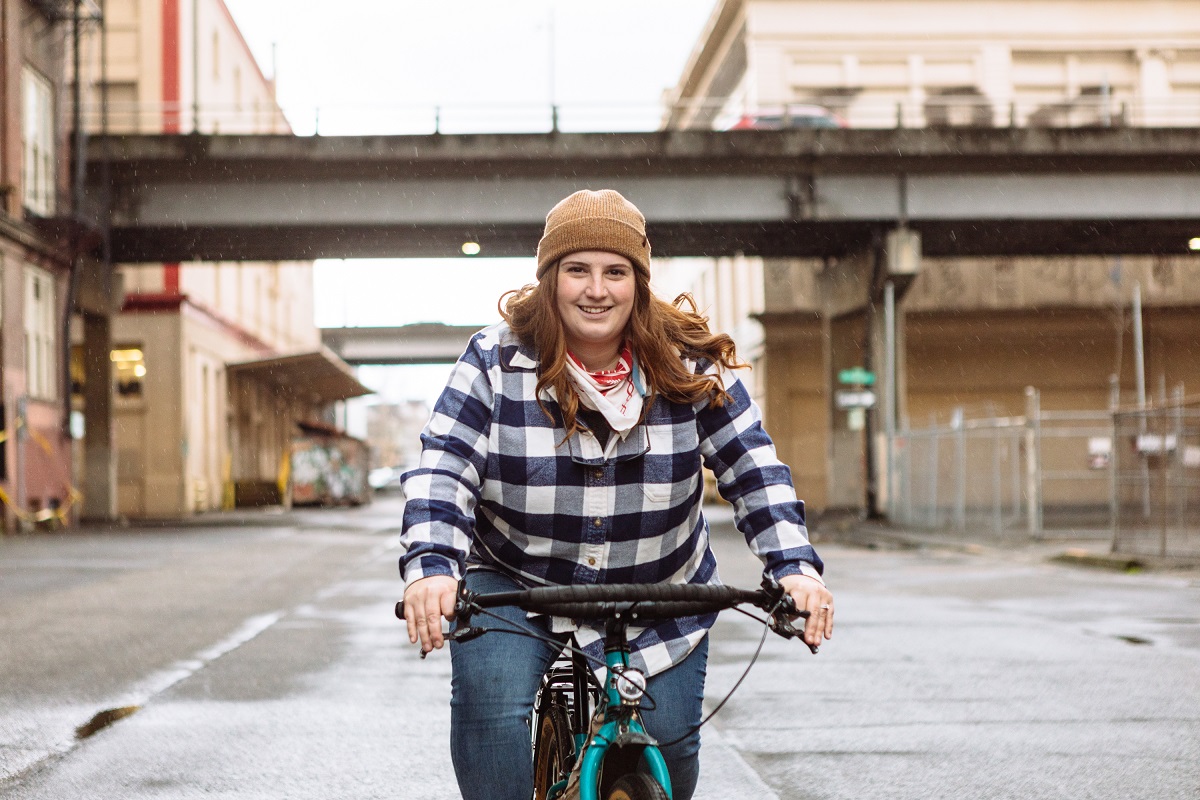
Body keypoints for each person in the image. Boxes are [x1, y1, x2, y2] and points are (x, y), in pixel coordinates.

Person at [399, 188, 833, 800]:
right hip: (516, 577)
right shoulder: (494, 360)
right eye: (577, 270)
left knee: (672, 743)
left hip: (657, 584)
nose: (596, 289)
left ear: (639, 283)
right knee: (491, 709)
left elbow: (752, 466)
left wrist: (794, 570)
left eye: (615, 271)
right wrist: (432, 569)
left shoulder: (686, 365)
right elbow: (443, 467)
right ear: (550, 281)